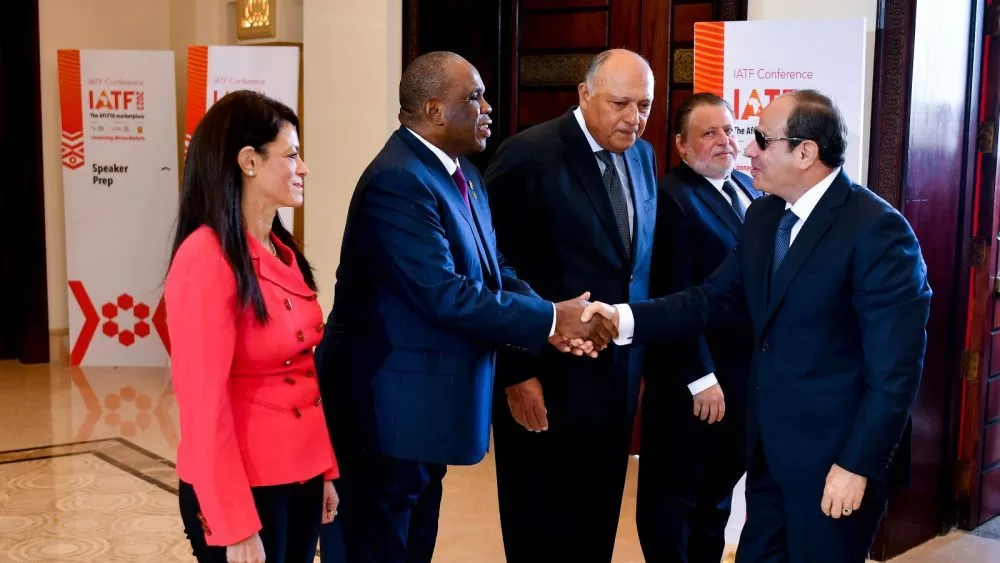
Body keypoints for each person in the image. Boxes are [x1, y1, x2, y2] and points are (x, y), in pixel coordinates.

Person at [581, 89, 931, 563]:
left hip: (836, 461)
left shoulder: (878, 231)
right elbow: (711, 299)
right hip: (768, 455)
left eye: (763, 140)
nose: (747, 149)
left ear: (806, 153)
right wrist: (622, 316)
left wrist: (857, 464)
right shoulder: (765, 216)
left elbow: (896, 371)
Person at [314, 51, 613, 563]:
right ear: (433, 109)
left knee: (414, 544)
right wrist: (548, 319)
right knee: (376, 546)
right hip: (387, 417)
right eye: (474, 97)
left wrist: (551, 314)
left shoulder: (464, 174)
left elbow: (492, 271)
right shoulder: (398, 180)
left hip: (427, 417)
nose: (488, 108)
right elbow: (444, 294)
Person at [483, 48, 658, 563]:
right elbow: (495, 271)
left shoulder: (642, 155)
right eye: (620, 103)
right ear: (584, 94)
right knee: (540, 530)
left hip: (617, 379)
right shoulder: (528, 154)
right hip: (545, 380)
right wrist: (517, 374)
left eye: (644, 105)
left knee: (596, 528)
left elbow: (635, 268)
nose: (634, 118)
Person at [165, 90, 340, 563]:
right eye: (292, 155)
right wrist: (233, 520)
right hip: (243, 485)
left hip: (300, 473)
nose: (303, 169)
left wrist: (324, 470)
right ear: (248, 161)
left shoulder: (282, 250)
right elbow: (204, 406)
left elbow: (303, 375)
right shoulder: (205, 257)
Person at [638, 93, 761, 562]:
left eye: (728, 130)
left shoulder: (748, 188)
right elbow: (674, 296)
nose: (724, 140)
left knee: (717, 496)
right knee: (675, 499)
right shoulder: (672, 199)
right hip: (694, 382)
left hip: (741, 377)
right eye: (709, 133)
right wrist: (699, 376)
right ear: (682, 146)